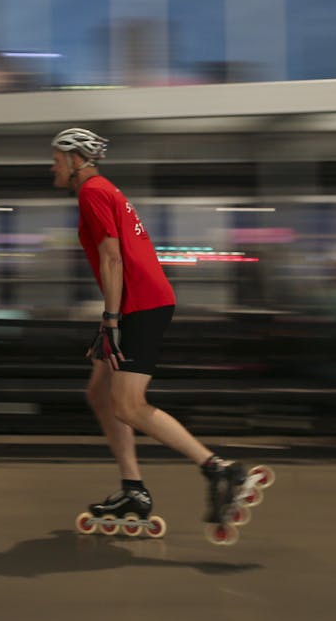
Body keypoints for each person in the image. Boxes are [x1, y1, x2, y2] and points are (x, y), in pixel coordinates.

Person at [49, 127, 247, 531]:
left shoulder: (92, 192)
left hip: (141, 304)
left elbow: (113, 259)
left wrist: (110, 320)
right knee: (100, 394)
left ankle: (219, 468)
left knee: (128, 405)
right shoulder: (103, 190)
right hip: (137, 302)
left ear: (75, 160)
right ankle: (133, 488)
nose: (51, 168)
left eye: (55, 160)